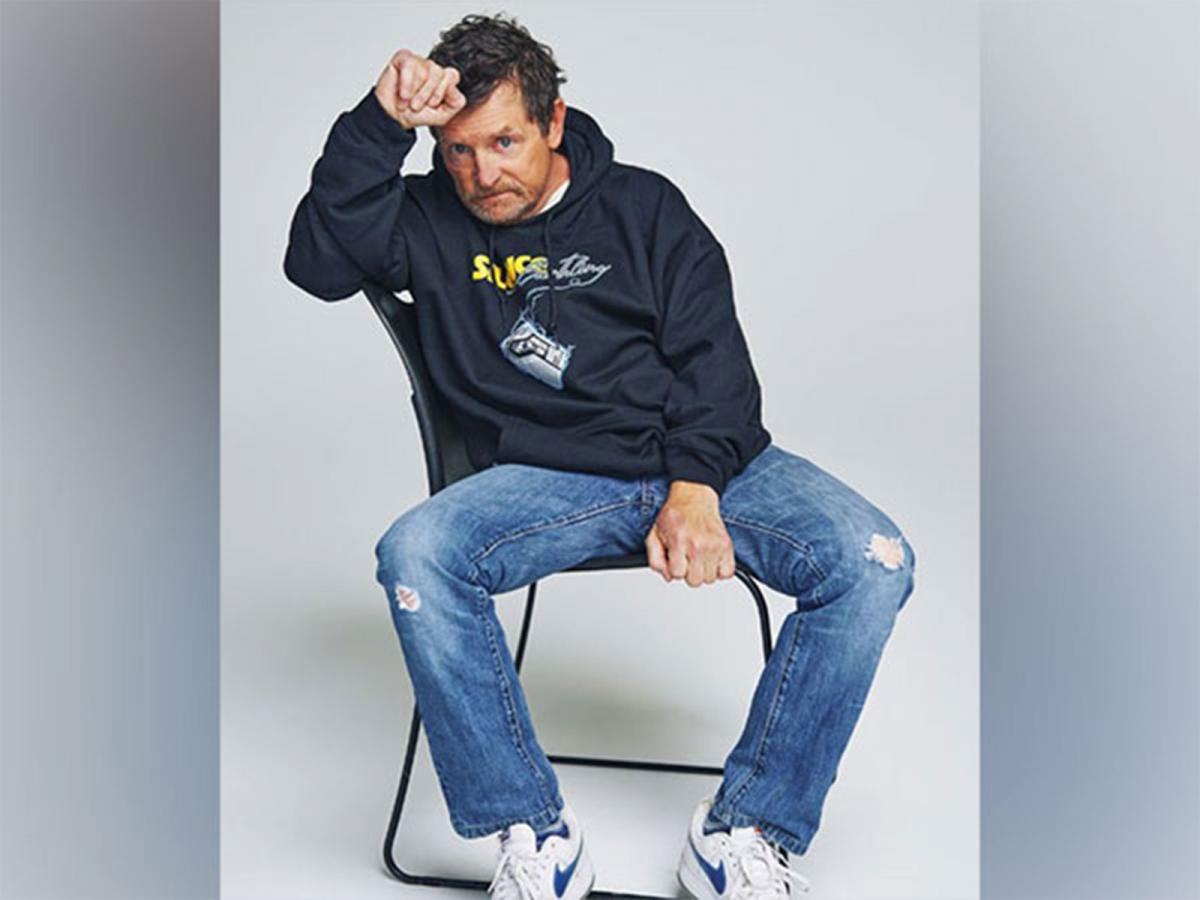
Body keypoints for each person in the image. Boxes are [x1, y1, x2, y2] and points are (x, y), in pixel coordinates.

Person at [283, 12, 916, 900]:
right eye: (458, 149)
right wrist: (378, 125)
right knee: (415, 553)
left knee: (873, 561)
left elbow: (718, 367)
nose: (482, 173)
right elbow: (315, 264)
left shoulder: (644, 207)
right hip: (547, 479)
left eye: (504, 142)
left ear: (552, 120)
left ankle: (742, 833)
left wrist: (695, 486)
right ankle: (535, 835)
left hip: (701, 462)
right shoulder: (424, 218)